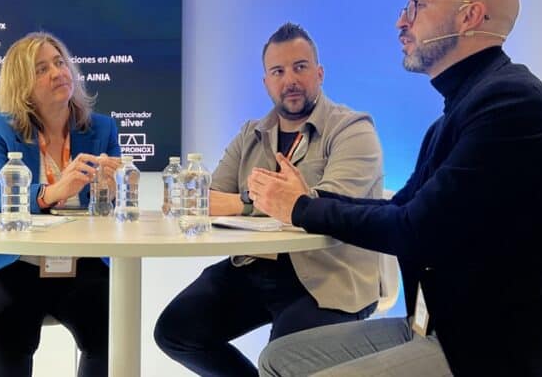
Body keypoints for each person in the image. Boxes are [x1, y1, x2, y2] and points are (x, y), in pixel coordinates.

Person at [255, 0, 542, 376]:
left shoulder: (512, 106)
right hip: (439, 323)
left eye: (416, 7)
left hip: (491, 346)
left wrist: (301, 208)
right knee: (277, 358)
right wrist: (309, 200)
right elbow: (401, 208)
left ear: (469, 16)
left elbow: (413, 230)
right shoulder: (461, 111)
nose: (401, 22)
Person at [153, 23, 386, 376]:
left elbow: (328, 206)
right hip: (255, 265)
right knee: (176, 331)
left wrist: (244, 203)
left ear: (320, 73)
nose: (289, 79)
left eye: (300, 67)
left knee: (280, 357)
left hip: (329, 274)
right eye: (278, 71)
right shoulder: (251, 133)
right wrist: (245, 201)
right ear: (266, 82)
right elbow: (208, 198)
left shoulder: (352, 129)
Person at [0, 32, 121, 377]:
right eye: (41, 69)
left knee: (115, 325)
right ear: (21, 85)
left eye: (60, 62)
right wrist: (51, 192)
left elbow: (113, 211)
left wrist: (110, 191)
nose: (58, 72)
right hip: (11, 264)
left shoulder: (102, 129)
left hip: (80, 263)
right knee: (3, 329)